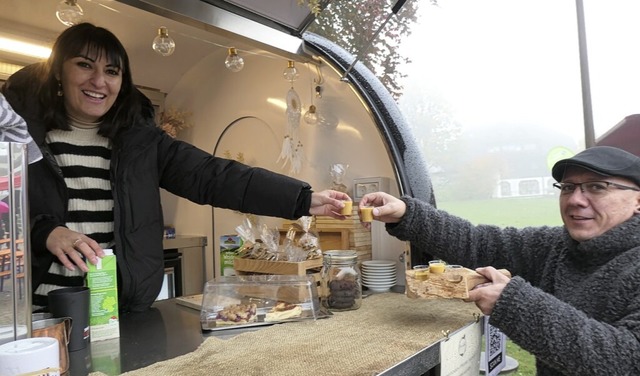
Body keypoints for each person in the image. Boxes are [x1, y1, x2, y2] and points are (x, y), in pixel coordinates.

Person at [1, 22, 351, 313]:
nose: (99, 81)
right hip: (37, 311)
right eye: (84, 65)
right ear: (59, 71)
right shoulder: (16, 137)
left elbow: (214, 176)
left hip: (119, 309)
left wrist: (302, 199)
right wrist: (43, 232)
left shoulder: (141, 143)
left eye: (111, 71)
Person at [359, 145, 640, 376]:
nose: (575, 199)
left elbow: (625, 360)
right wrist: (407, 214)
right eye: (568, 187)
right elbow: (479, 242)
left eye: (597, 187)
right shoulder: (559, 246)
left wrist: (514, 303)